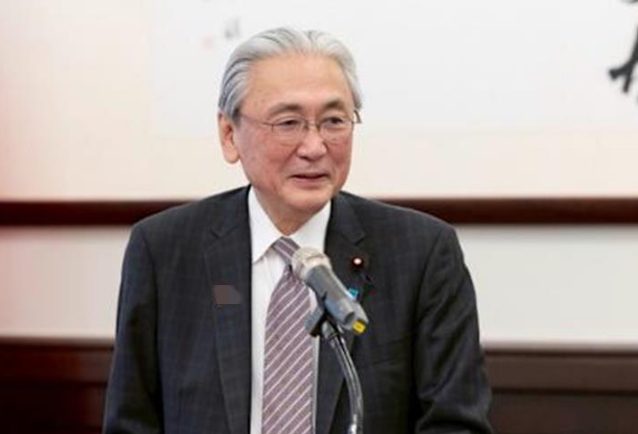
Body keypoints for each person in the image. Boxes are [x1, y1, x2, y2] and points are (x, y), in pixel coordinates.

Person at [103, 27, 494, 434]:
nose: (314, 147)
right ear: (229, 134)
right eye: (288, 122)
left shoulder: (422, 253)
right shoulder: (164, 251)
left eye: (334, 121)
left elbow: (456, 424)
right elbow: (131, 424)